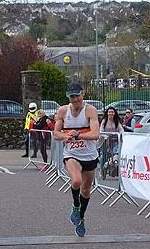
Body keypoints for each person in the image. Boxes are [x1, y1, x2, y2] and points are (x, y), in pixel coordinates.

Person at [52, 82, 101, 237]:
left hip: (90, 155)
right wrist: (66, 136)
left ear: (83, 94)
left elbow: (95, 134)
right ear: (69, 97)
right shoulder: (62, 111)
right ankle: (75, 205)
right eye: (72, 97)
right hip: (72, 154)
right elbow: (56, 134)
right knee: (76, 181)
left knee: (86, 190)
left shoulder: (90, 111)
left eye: (77, 96)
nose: (75, 100)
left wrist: (77, 135)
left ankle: (81, 218)